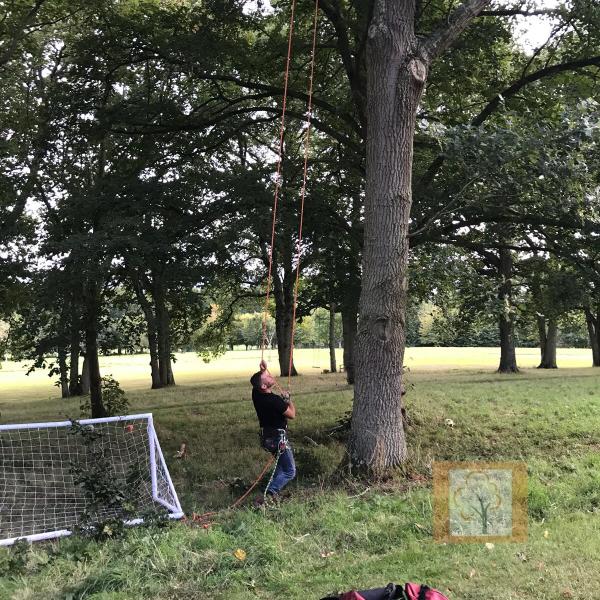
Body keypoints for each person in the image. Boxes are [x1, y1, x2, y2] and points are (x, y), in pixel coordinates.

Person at [250, 359, 296, 503]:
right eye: (268, 377)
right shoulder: (274, 401)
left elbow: (257, 382)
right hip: (278, 438)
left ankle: (269, 491)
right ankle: (270, 494)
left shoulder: (256, 395)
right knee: (289, 470)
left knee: (280, 466)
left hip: (267, 438)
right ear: (264, 385)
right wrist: (289, 400)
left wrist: (263, 370)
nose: (272, 377)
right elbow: (292, 415)